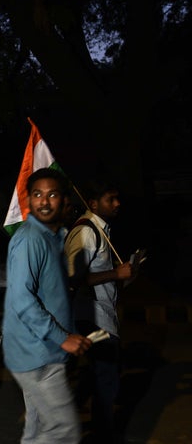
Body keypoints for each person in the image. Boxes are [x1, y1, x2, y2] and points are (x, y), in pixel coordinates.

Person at [2, 168, 92, 443]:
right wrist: (62, 337)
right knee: (64, 432)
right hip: (37, 353)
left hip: (41, 350)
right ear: (29, 199)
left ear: (63, 199)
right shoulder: (31, 239)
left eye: (51, 194)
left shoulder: (53, 237)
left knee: (38, 427)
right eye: (37, 195)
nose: (43, 201)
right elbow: (22, 299)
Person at [64, 179, 135, 441]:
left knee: (99, 375)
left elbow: (98, 273)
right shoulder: (86, 232)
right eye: (110, 199)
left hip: (102, 313)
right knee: (107, 379)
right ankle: (102, 434)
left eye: (117, 198)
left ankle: (80, 419)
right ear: (93, 204)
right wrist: (115, 272)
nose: (117, 204)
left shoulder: (100, 230)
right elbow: (73, 278)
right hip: (92, 316)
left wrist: (123, 276)